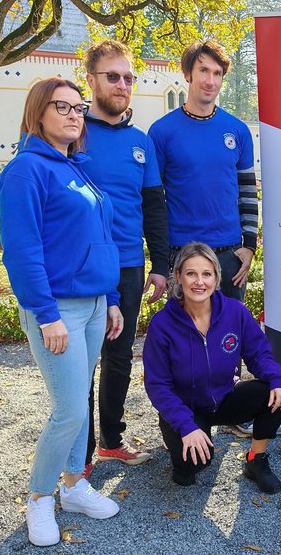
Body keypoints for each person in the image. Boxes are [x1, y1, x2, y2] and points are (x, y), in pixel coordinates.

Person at [0, 78, 122, 546]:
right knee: (69, 411)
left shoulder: (75, 167)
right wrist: (46, 314)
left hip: (92, 306)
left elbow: (101, 240)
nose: (75, 114)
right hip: (57, 310)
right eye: (63, 106)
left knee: (78, 400)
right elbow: (22, 251)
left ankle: (74, 486)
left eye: (79, 107)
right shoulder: (26, 171)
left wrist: (109, 299)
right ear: (39, 111)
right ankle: (39, 499)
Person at [80, 40, 169, 474]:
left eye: (129, 77)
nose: (122, 84)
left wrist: (161, 265)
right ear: (91, 80)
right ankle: (78, 454)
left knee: (118, 357)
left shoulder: (141, 142)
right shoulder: (70, 132)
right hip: (82, 267)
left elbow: (154, 206)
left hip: (130, 266)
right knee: (81, 361)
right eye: (112, 76)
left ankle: (111, 442)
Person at [143, 242, 281, 493]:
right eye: (191, 273)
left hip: (223, 398)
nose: (199, 282)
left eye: (206, 274)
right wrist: (186, 426)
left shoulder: (235, 312)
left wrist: (277, 379)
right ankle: (183, 445)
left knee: (277, 393)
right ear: (178, 276)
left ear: (216, 278)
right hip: (185, 407)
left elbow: (259, 354)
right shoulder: (162, 324)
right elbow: (157, 385)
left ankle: (256, 460)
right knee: (191, 467)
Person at [148, 40, 258, 301]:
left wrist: (250, 246)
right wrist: (161, 261)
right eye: (203, 71)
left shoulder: (238, 130)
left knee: (229, 338)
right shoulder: (162, 132)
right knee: (184, 338)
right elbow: (154, 202)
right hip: (182, 255)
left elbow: (247, 191)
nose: (211, 80)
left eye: (217, 73)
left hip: (229, 257)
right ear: (187, 74)